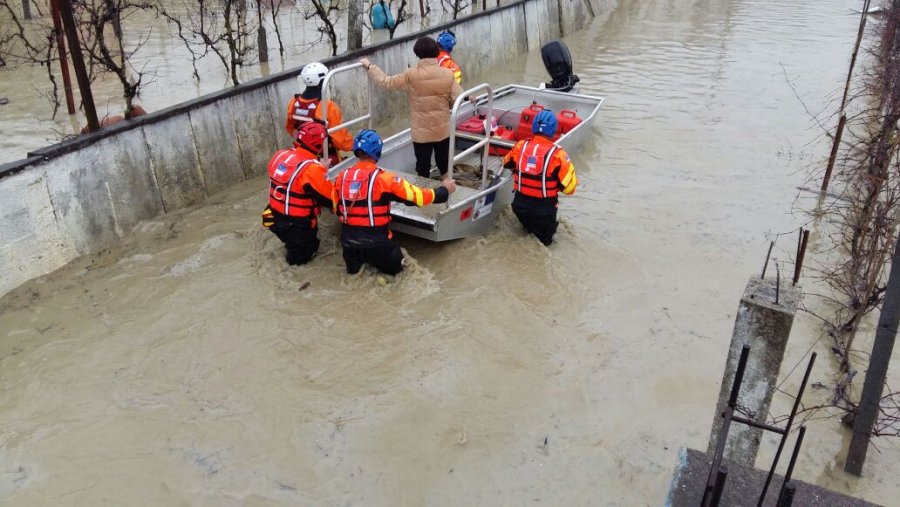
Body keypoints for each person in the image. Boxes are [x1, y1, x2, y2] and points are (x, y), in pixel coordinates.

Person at [332, 129, 457, 275]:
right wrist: (444, 191)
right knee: (402, 274)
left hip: (349, 247)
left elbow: (336, 209)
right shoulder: (385, 179)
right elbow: (417, 197)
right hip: (378, 245)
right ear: (377, 152)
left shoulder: (341, 177)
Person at [360, 37, 464, 180]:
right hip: (442, 131)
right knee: (444, 166)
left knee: (423, 169)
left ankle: (424, 197)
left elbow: (386, 82)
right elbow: (458, 98)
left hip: (421, 134)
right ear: (436, 52)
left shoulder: (411, 74)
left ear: (417, 53)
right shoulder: (447, 74)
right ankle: (448, 194)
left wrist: (370, 66)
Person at [501, 110, 578, 245]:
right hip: (543, 211)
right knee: (544, 245)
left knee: (525, 235)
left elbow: (506, 163)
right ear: (554, 131)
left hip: (520, 207)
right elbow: (569, 189)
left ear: (533, 127)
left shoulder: (520, 146)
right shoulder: (559, 155)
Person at [262, 122, 334, 265]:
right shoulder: (312, 170)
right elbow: (330, 199)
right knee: (304, 257)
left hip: (271, 217)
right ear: (318, 145)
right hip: (295, 228)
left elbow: (292, 178)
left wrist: (318, 168)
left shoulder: (279, 155)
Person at [284, 61, 354, 165]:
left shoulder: (293, 103)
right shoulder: (328, 107)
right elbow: (341, 140)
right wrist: (356, 145)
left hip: (302, 157)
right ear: (322, 81)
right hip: (326, 159)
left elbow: (290, 129)